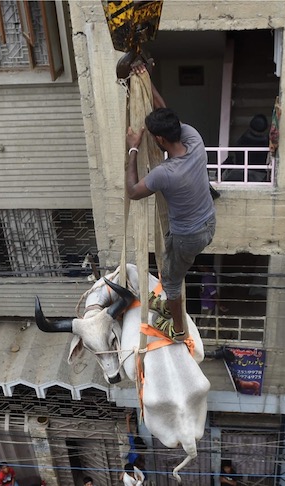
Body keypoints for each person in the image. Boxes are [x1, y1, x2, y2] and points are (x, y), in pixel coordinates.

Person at [125, 63, 216, 342]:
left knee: (173, 283)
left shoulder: (166, 173)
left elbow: (132, 191)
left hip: (190, 235)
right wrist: (145, 79)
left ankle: (178, 330)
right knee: (168, 265)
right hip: (206, 222)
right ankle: (170, 306)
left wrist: (133, 147)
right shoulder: (193, 138)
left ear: (160, 139)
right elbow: (162, 110)